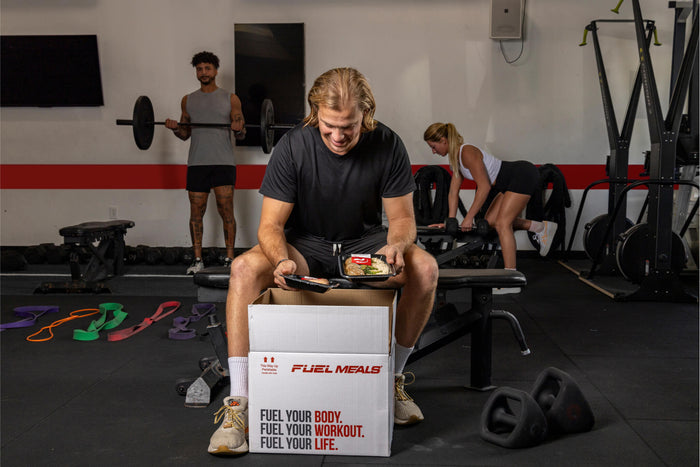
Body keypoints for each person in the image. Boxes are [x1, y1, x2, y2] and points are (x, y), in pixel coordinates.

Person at [207, 67, 439, 456]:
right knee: (244, 268)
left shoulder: (387, 144)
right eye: (330, 126)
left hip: (364, 249)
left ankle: (393, 380)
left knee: (426, 268)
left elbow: (401, 221)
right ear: (316, 113)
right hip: (305, 248)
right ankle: (239, 406)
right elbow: (270, 226)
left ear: (366, 114)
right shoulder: (293, 147)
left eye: (348, 126)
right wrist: (281, 261)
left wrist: (396, 246)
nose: (338, 136)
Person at [423, 122, 557, 271]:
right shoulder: (456, 161)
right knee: (491, 222)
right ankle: (540, 227)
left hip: (521, 174)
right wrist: (450, 221)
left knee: (502, 224)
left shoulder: (466, 152)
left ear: (443, 140)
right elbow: (453, 193)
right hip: (506, 183)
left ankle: (510, 277)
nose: (433, 151)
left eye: (433, 146)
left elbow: (484, 186)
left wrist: (469, 217)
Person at [165, 51, 245, 274]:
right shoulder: (188, 100)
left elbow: (240, 132)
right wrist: (175, 128)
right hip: (197, 163)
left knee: (226, 211)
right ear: (196, 72)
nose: (203, 73)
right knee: (196, 213)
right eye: (199, 69)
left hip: (223, 163)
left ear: (216, 70)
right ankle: (197, 259)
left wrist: (239, 129)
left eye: (207, 68)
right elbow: (184, 133)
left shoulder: (230, 98)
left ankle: (230, 259)